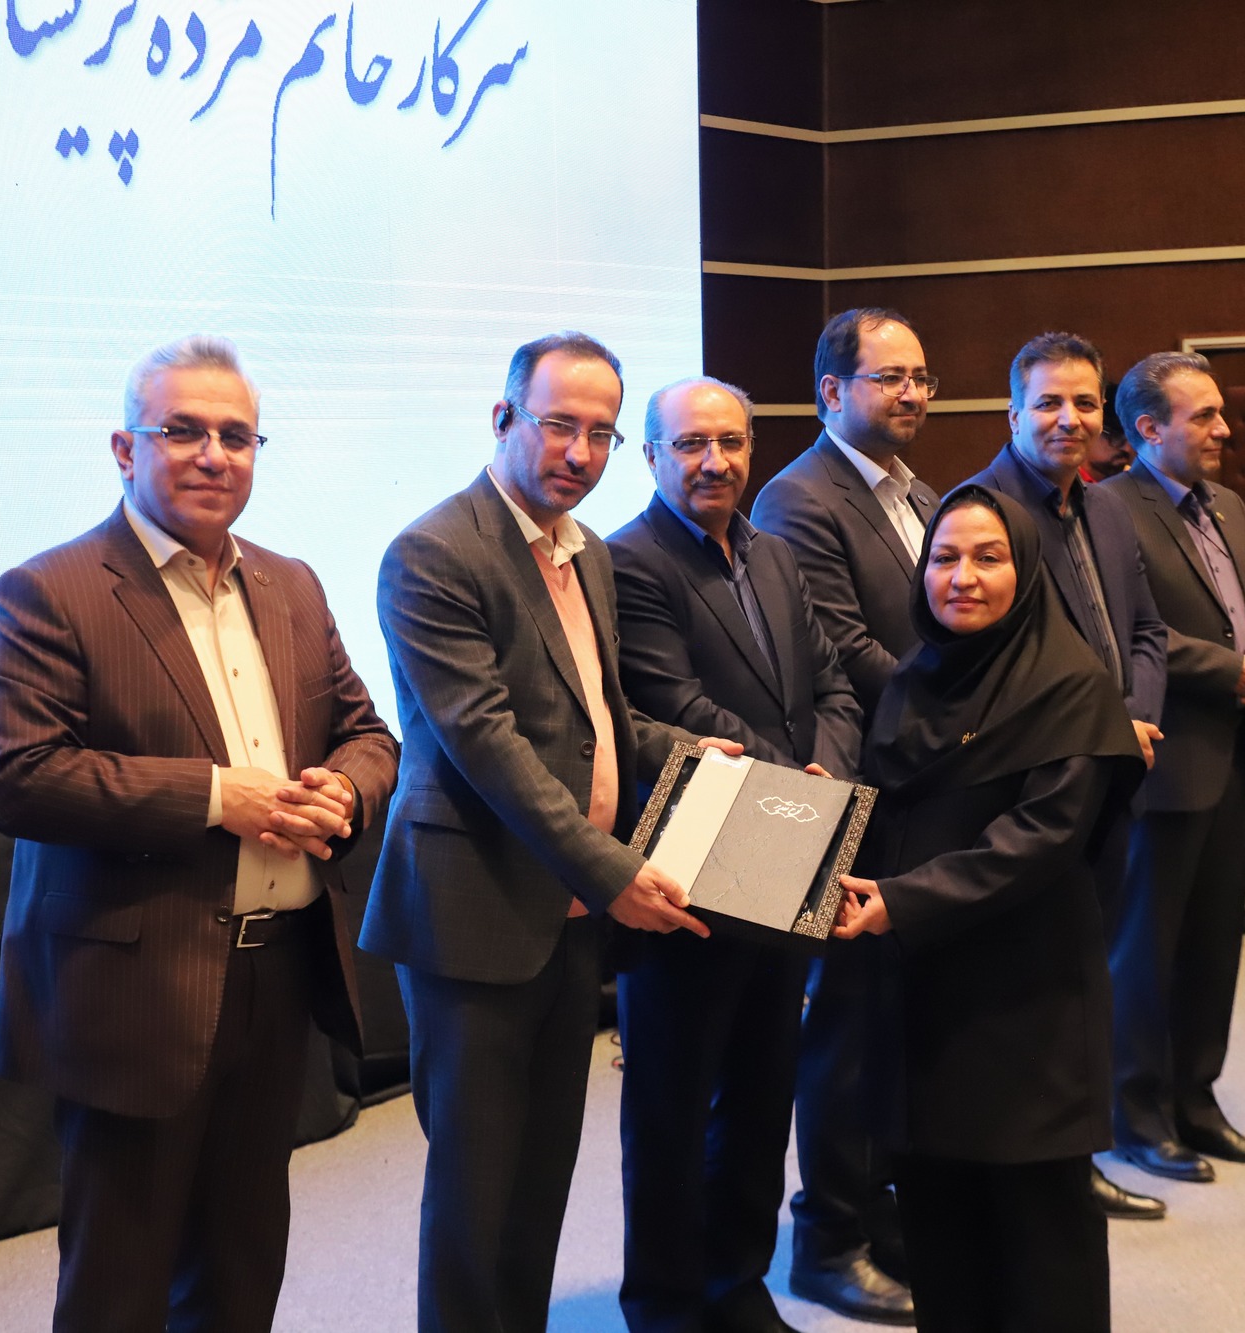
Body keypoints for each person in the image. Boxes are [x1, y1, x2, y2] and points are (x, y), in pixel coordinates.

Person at [0, 334, 398, 1333]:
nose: (214, 454)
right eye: (183, 431)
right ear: (125, 449)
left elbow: (368, 733)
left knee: (242, 1264)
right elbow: (22, 778)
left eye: (236, 436)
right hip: (136, 985)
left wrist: (344, 791)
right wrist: (217, 797)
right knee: (119, 1281)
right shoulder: (50, 589)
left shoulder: (292, 584)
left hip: (277, 973)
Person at [363, 332, 740, 1333]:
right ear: (503, 419)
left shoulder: (588, 553)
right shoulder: (435, 552)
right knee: (475, 1192)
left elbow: (599, 718)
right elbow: (486, 745)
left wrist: (693, 751)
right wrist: (614, 871)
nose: (580, 452)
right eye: (558, 424)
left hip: (567, 916)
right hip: (474, 913)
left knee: (539, 1182)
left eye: (601, 433)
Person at [829, 484, 1145, 1333]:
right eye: (944, 557)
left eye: (988, 557)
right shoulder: (914, 679)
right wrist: (828, 822)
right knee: (940, 1227)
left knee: (1038, 1236)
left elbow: (1040, 840)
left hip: (1026, 1005)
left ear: (1027, 569)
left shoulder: (1071, 686)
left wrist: (901, 901)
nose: (961, 577)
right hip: (923, 999)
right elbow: (893, 811)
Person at [606, 376, 863, 1333]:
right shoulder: (626, 562)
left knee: (762, 1088)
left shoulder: (775, 553)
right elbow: (676, 705)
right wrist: (801, 790)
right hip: (691, 863)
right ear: (651, 455)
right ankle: (667, 1303)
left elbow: (834, 685)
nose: (714, 461)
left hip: (787, 849)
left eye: (731, 442)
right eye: (690, 444)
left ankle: (736, 1284)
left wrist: (826, 773)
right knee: (672, 1105)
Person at [748, 307, 936, 1321]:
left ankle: (886, 1217)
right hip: (853, 795)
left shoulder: (922, 494)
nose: (911, 393)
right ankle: (827, 1237)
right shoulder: (798, 497)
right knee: (846, 1036)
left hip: (923, 799)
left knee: (900, 1031)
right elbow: (845, 653)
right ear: (831, 391)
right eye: (888, 377)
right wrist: (967, 715)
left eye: (920, 377)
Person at [959, 332, 1169, 1223]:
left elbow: (1147, 632)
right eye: (1048, 402)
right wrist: (1105, 730)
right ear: (1013, 413)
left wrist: (1136, 717)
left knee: (1086, 982)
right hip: (1032, 793)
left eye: (1085, 403)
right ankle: (1026, 1172)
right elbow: (985, 664)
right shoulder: (982, 512)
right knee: (1030, 995)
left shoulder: (1108, 508)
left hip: (1116, 776)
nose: (1068, 418)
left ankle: (1071, 1160)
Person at [1103, 352, 1245, 1184]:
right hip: (1164, 760)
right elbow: (1124, 630)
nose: (1225, 429)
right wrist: (1230, 670)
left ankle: (1198, 1100)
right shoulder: (1111, 510)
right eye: (1205, 415)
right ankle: (1137, 1116)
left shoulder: (1230, 505)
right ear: (1149, 428)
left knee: (1215, 946)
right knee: (1147, 951)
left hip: (1233, 757)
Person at [1080, 383, 1134, 485]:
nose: (1127, 448)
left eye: (1132, 437)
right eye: (1116, 437)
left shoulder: (1131, 486)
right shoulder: (1065, 485)